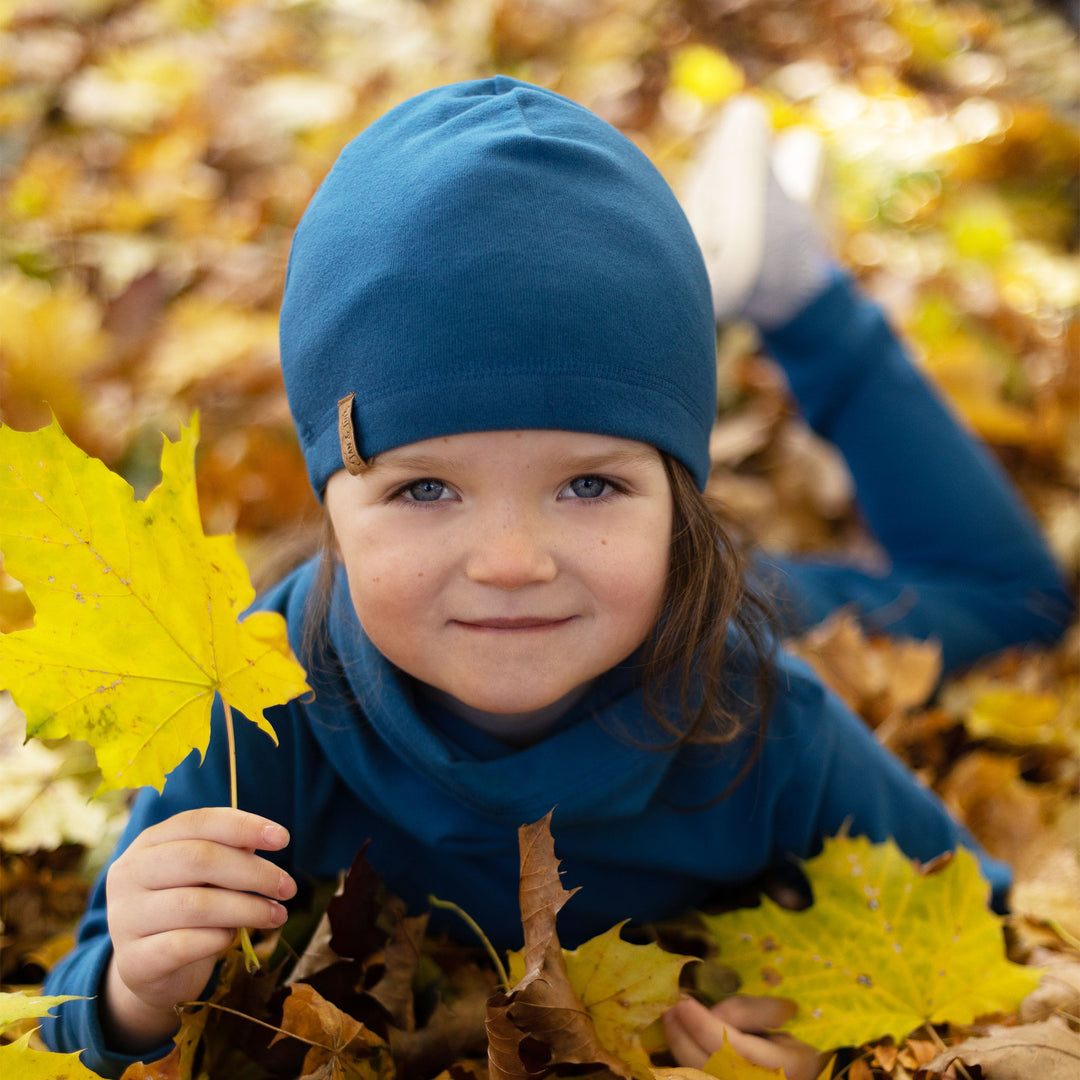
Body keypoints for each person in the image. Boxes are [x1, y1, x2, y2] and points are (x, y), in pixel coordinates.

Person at [41, 77, 1071, 1080]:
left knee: (1019, 605)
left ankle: (799, 293)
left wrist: (839, 1009)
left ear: (679, 498)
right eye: (425, 490)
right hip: (618, 598)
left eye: (588, 483)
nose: (511, 563)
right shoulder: (261, 716)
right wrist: (136, 985)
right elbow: (75, 1000)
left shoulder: (762, 718)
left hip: (697, 618)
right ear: (331, 507)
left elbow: (969, 921)